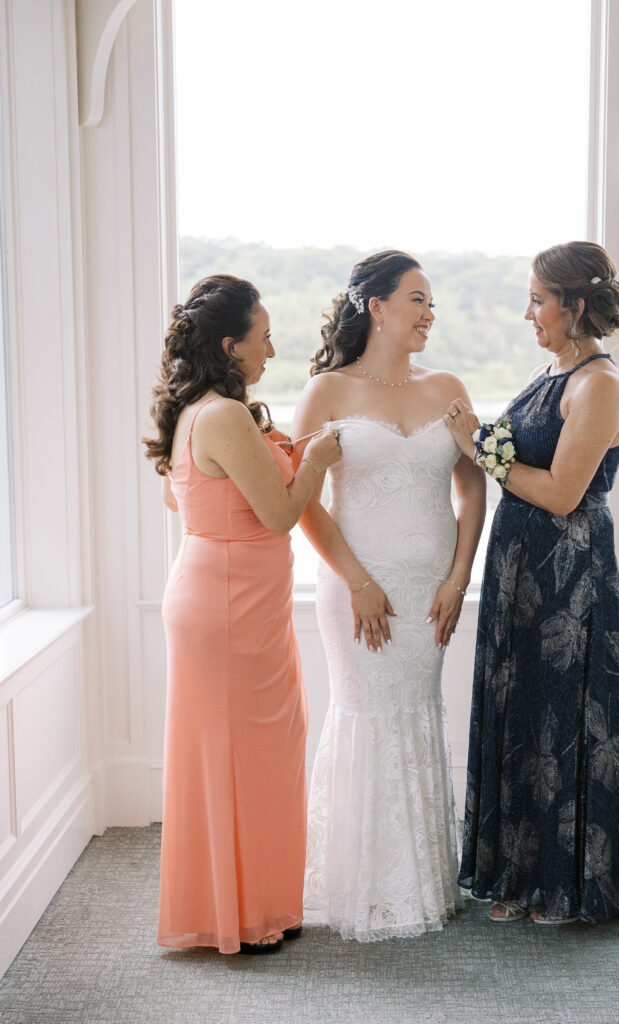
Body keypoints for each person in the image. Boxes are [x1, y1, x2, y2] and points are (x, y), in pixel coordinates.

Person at [291, 250, 486, 941]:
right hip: (357, 587)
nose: (428, 314)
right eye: (416, 300)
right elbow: (303, 503)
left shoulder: (447, 388)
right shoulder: (327, 392)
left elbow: (471, 487)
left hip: (431, 588)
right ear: (374, 306)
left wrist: (459, 578)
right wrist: (359, 581)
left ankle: (419, 881)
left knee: (414, 711)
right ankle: (359, 886)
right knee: (366, 713)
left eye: (431, 303)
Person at [144, 274, 340, 955]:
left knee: (245, 754)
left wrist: (272, 451)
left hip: (223, 596)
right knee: (251, 755)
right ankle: (247, 913)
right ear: (230, 346)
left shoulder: (199, 410)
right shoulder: (224, 417)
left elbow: (184, 502)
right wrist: (312, 459)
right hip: (229, 608)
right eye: (263, 339)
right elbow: (282, 513)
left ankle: (251, 903)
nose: (272, 352)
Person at [446, 241, 619, 925]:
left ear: (574, 305)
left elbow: (561, 494)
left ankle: (561, 885)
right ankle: (518, 874)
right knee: (521, 708)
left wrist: (481, 451)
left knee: (560, 713)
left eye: (537, 299)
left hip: (567, 574)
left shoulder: (599, 385)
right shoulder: (551, 369)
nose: (527, 312)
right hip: (519, 569)